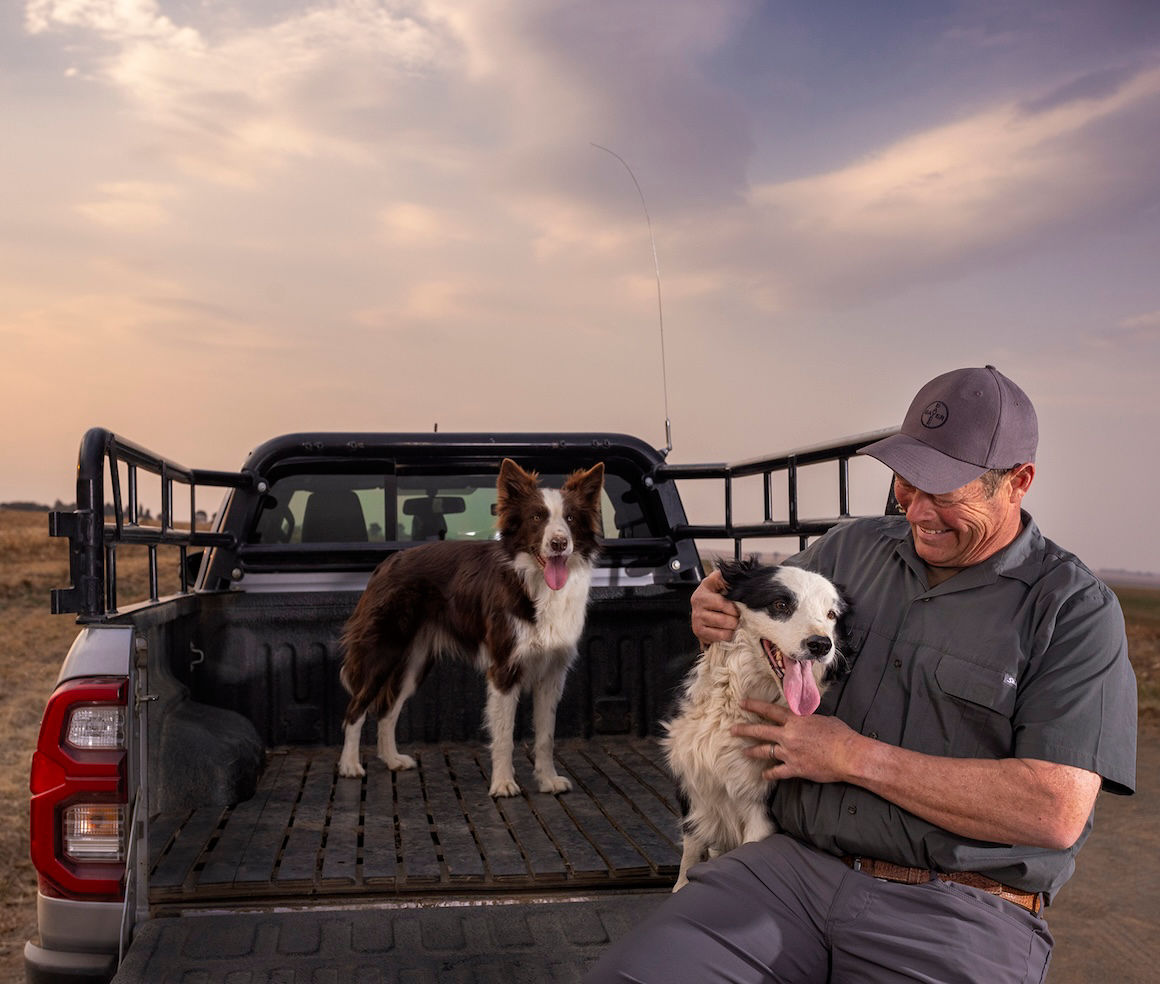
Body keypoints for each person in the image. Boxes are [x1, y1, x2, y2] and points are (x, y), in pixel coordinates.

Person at [586, 365, 1136, 984]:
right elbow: (756, 602)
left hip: (961, 909)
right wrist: (712, 602)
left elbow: (1052, 811)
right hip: (787, 868)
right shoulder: (850, 548)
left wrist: (855, 758)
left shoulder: (1072, 610)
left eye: (944, 490)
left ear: (1018, 483)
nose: (916, 507)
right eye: (906, 480)